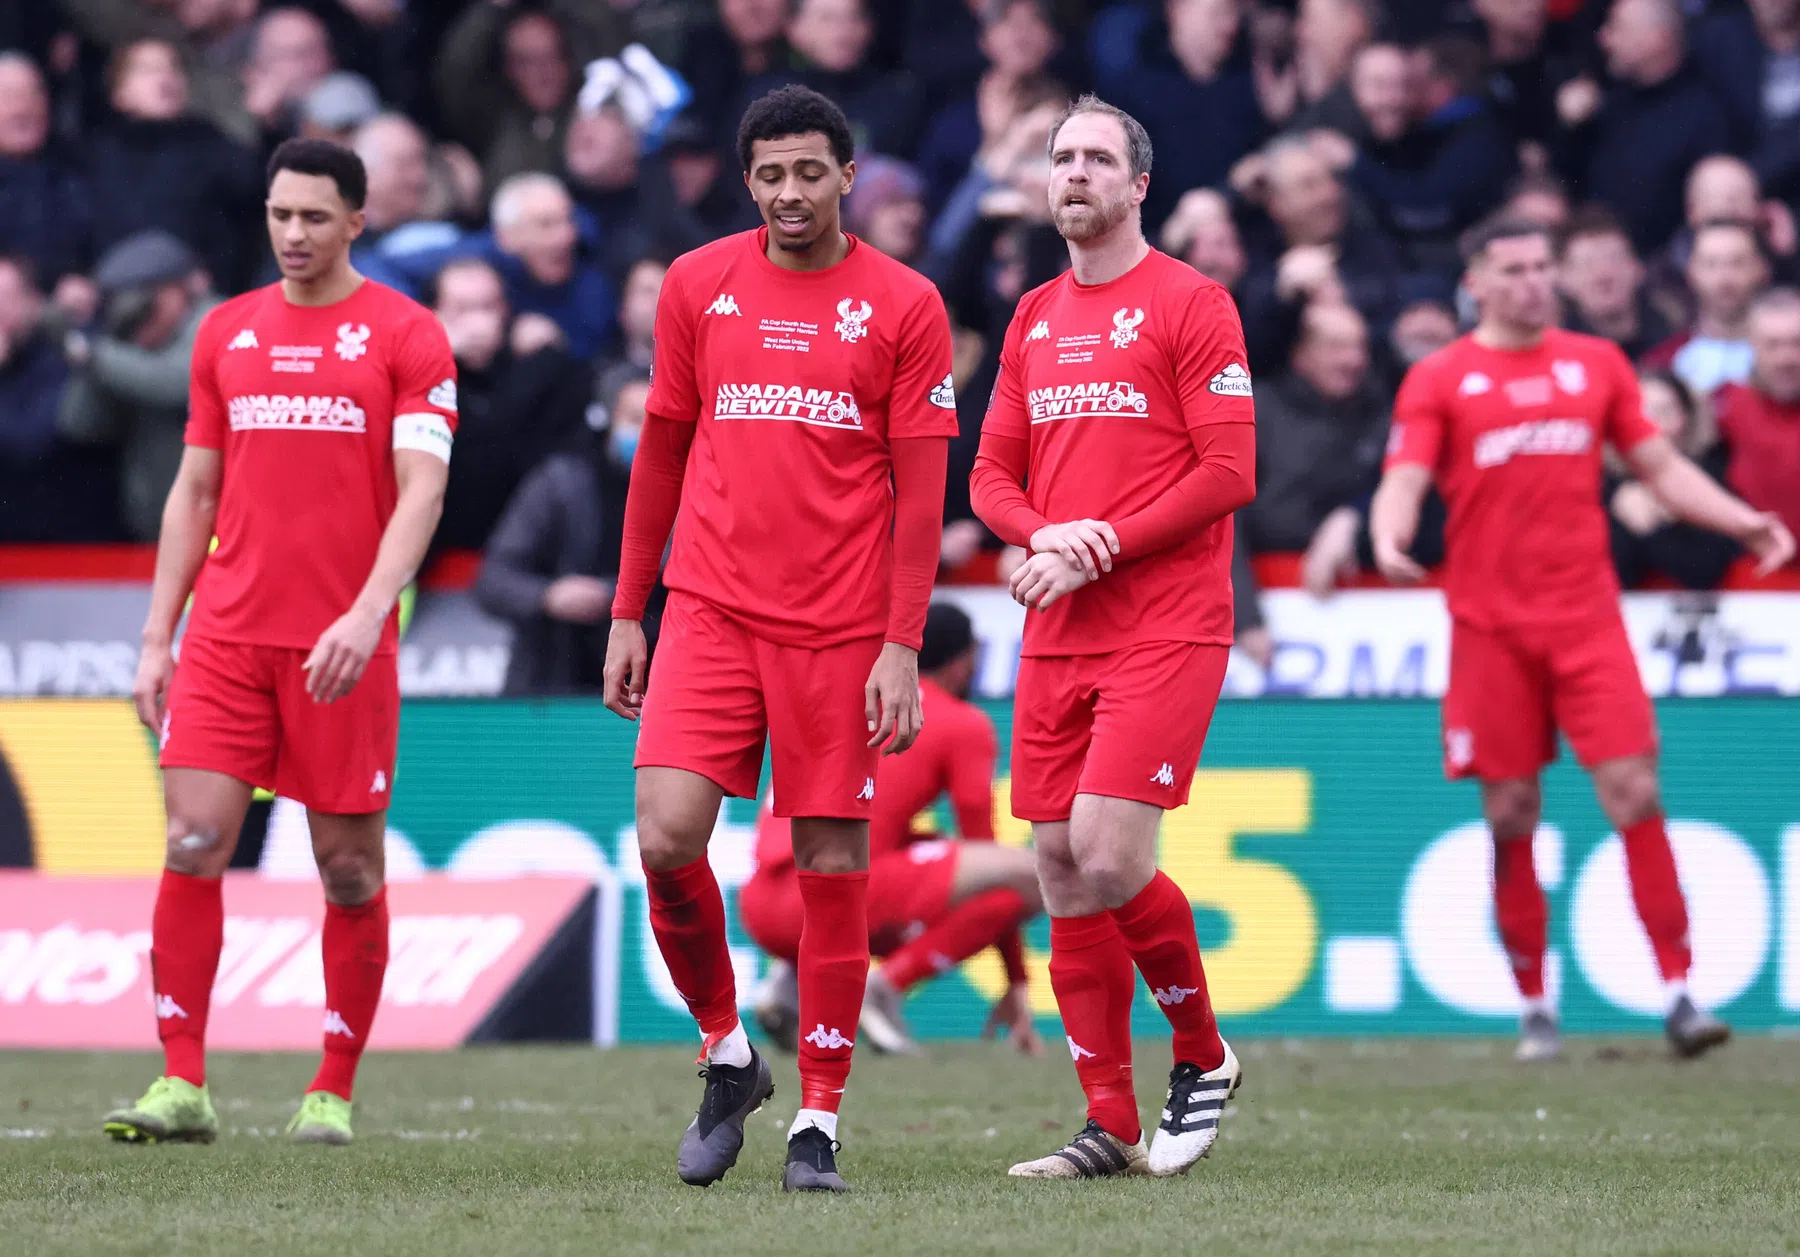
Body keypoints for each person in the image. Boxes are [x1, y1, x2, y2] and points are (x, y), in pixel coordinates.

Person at [601, 85, 954, 1194]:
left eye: (810, 172)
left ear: (848, 177)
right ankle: (726, 1053)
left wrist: (901, 644)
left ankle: (820, 1121)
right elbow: (659, 451)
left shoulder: (904, 302)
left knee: (830, 864)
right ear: (747, 180)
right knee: (664, 838)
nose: (790, 193)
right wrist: (629, 609)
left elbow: (921, 491)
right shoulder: (698, 284)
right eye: (770, 174)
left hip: (842, 627)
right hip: (706, 606)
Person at [1369, 216, 1794, 1066]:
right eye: (1515, 268)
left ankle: (1680, 992)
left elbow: (1661, 467)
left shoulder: (1594, 364)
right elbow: (1404, 473)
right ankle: (1534, 1003)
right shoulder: (1441, 377)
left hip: (1587, 620)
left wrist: (1745, 520)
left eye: (1542, 266)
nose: (1534, 282)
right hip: (1489, 628)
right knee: (1510, 810)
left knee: (1634, 789)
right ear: (1477, 283)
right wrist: (1390, 536)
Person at [103, 138, 457, 1147]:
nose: (293, 234)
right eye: (279, 214)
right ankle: (182, 1083)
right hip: (226, 635)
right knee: (193, 841)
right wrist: (154, 637)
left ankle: (332, 1089)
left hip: (343, 646)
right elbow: (196, 490)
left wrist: (367, 610)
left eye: (314, 216)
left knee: (347, 869)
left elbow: (424, 488)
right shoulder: (227, 334)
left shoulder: (407, 335)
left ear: (357, 221)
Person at [969, 94, 1256, 1180]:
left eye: (1097, 158)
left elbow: (1231, 473)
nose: (1075, 173)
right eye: (1060, 158)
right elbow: (991, 477)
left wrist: (1094, 545)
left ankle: (1204, 1054)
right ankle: (1106, 1125)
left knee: (1107, 849)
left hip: (1168, 624)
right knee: (1056, 862)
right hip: (1060, 627)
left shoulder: (1193, 303)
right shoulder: (1034, 317)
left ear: (1141, 186)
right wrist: (1048, 537)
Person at [742, 602, 1043, 1057]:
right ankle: (882, 989)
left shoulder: (848, 695)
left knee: (913, 844)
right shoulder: (961, 723)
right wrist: (1018, 978)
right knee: (1036, 876)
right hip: (829, 900)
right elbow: (986, 853)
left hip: (762, 904)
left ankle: (789, 980)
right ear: (964, 660)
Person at [475, 364, 654, 695]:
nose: (645, 434)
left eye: (655, 423)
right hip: (554, 681)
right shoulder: (559, 484)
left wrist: (618, 595)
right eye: (633, 420)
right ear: (605, 421)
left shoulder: (691, 489)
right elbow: (494, 579)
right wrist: (548, 596)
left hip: (655, 681)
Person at [1713, 287, 1800, 555]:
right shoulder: (1724, 408)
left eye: (1797, 343)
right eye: (1773, 344)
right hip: (1751, 581)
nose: (1787, 357)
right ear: (1752, 345)